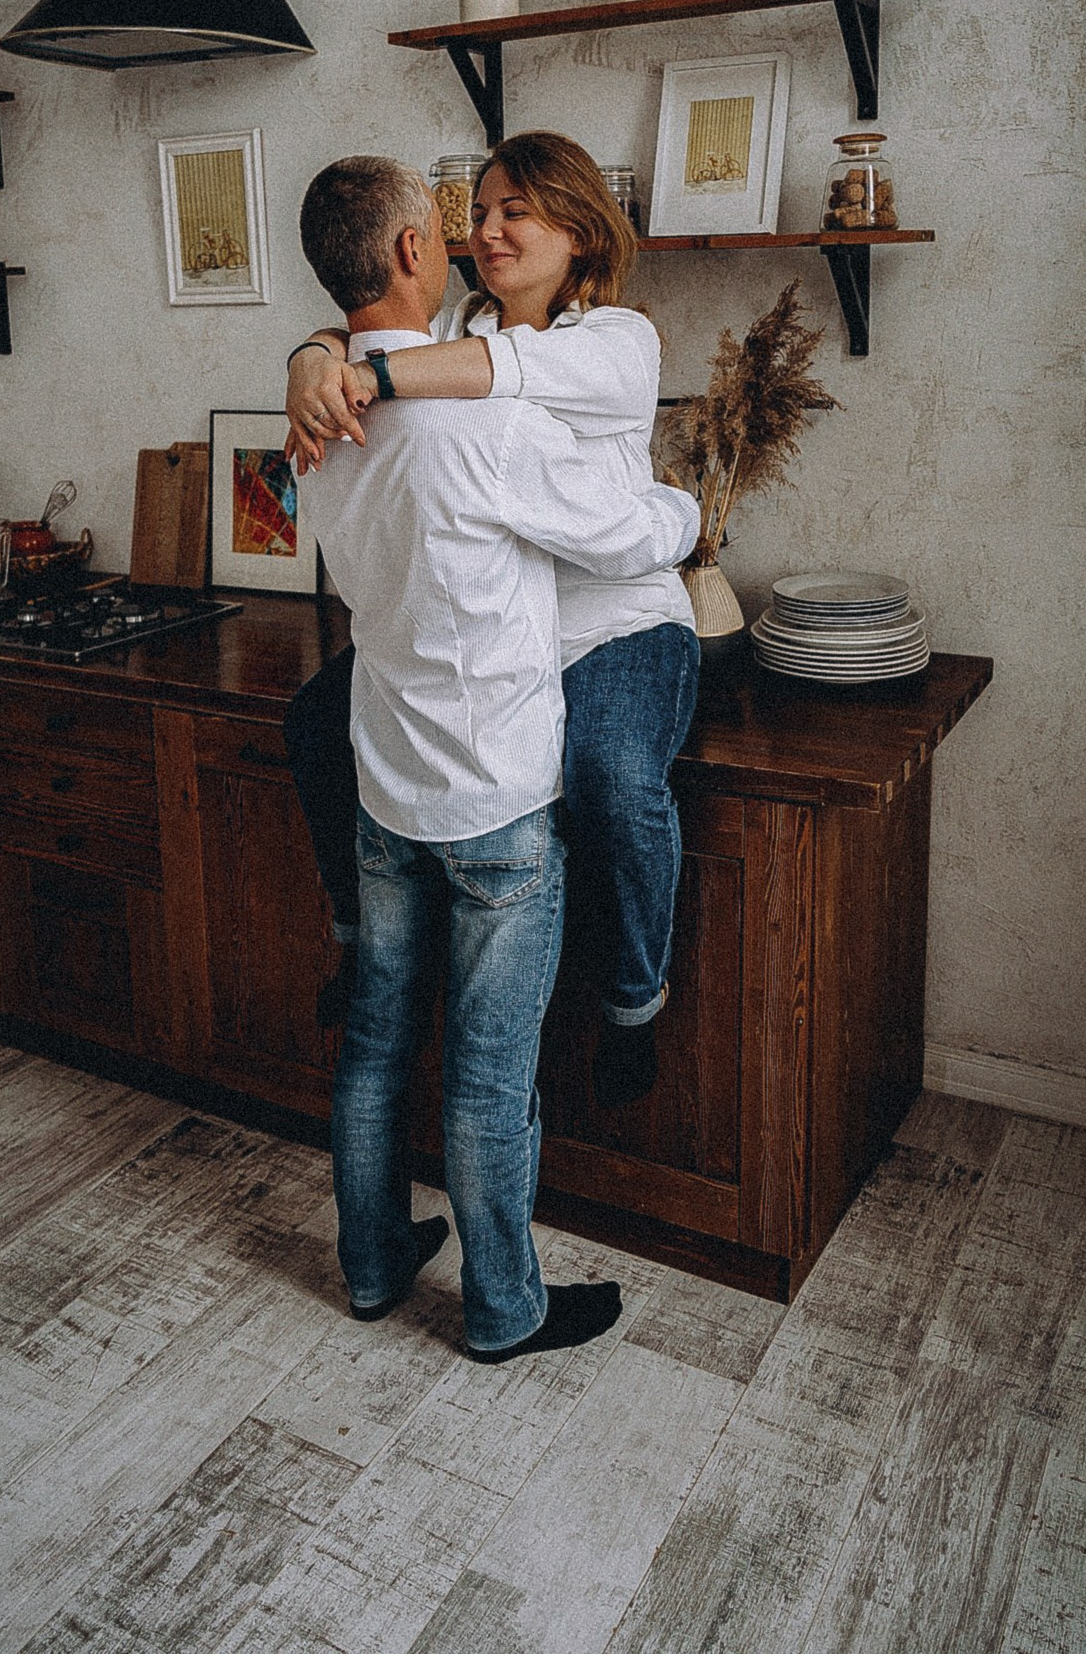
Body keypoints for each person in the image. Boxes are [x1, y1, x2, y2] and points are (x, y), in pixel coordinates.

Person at [297, 154, 699, 1361]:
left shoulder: (319, 434)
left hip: (397, 784)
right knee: (485, 1071)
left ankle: (373, 1262)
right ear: (417, 252)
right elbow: (625, 530)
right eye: (468, 216)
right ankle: (504, 1309)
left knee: (378, 1043)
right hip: (490, 790)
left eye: (514, 211)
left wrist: (327, 362)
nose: (482, 231)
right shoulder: (480, 414)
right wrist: (685, 514)